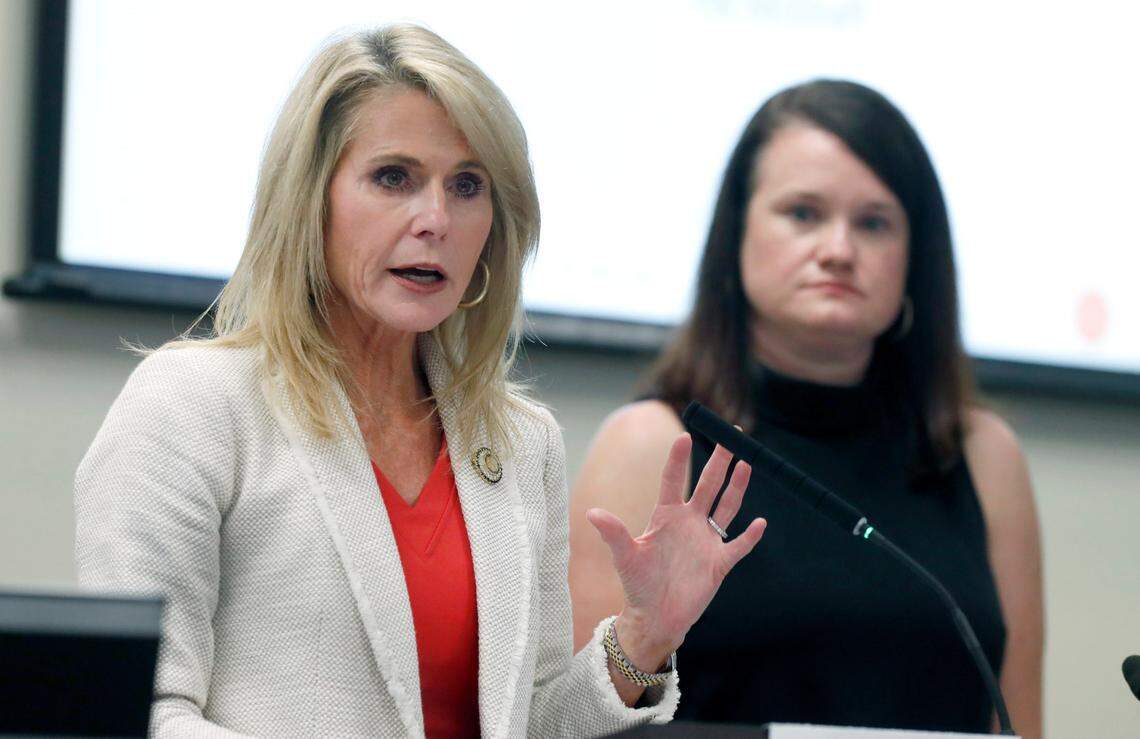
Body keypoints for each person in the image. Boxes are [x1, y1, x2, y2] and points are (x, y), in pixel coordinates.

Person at [73, 25, 768, 738]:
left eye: (467, 186)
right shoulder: (190, 404)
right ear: (309, 201)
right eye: (393, 177)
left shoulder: (523, 443)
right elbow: (134, 713)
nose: (436, 219)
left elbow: (527, 720)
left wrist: (644, 635)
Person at [569, 79, 1043, 738]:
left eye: (874, 222)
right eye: (803, 213)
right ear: (735, 238)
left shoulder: (982, 453)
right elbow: (575, 726)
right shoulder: (651, 444)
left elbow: (1019, 724)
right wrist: (642, 640)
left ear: (916, 258)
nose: (839, 249)